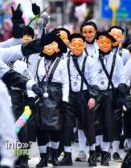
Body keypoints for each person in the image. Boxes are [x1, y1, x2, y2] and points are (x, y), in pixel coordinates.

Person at [60, 33, 99, 167]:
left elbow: (94, 80)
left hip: (85, 95)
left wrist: (92, 97)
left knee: (89, 125)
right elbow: (63, 80)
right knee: (67, 126)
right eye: (74, 45)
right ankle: (67, 155)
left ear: (84, 45)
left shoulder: (90, 61)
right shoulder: (65, 61)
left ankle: (93, 155)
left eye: (79, 44)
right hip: (70, 95)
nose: (77, 47)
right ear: (70, 45)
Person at [34, 37, 69, 167]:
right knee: (40, 129)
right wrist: (33, 96)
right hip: (40, 95)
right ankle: (43, 158)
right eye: (46, 43)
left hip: (57, 96)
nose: (49, 45)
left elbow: (66, 82)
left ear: (57, 47)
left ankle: (54, 157)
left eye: (52, 43)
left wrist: (65, 100)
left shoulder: (62, 62)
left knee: (56, 128)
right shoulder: (37, 60)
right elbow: (33, 79)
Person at [94, 31, 124, 166]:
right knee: (94, 123)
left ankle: (106, 154)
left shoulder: (117, 58)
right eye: (102, 42)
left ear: (112, 44)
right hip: (96, 94)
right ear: (97, 43)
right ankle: (96, 150)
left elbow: (120, 77)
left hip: (110, 93)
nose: (105, 44)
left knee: (108, 124)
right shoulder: (93, 57)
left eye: (107, 42)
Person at [108, 26, 131, 161]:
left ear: (122, 37)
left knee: (117, 121)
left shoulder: (125, 53)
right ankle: (102, 150)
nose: (115, 38)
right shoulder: (100, 51)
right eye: (113, 35)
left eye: (118, 35)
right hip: (104, 91)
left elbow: (127, 74)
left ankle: (115, 151)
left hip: (119, 91)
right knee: (103, 120)